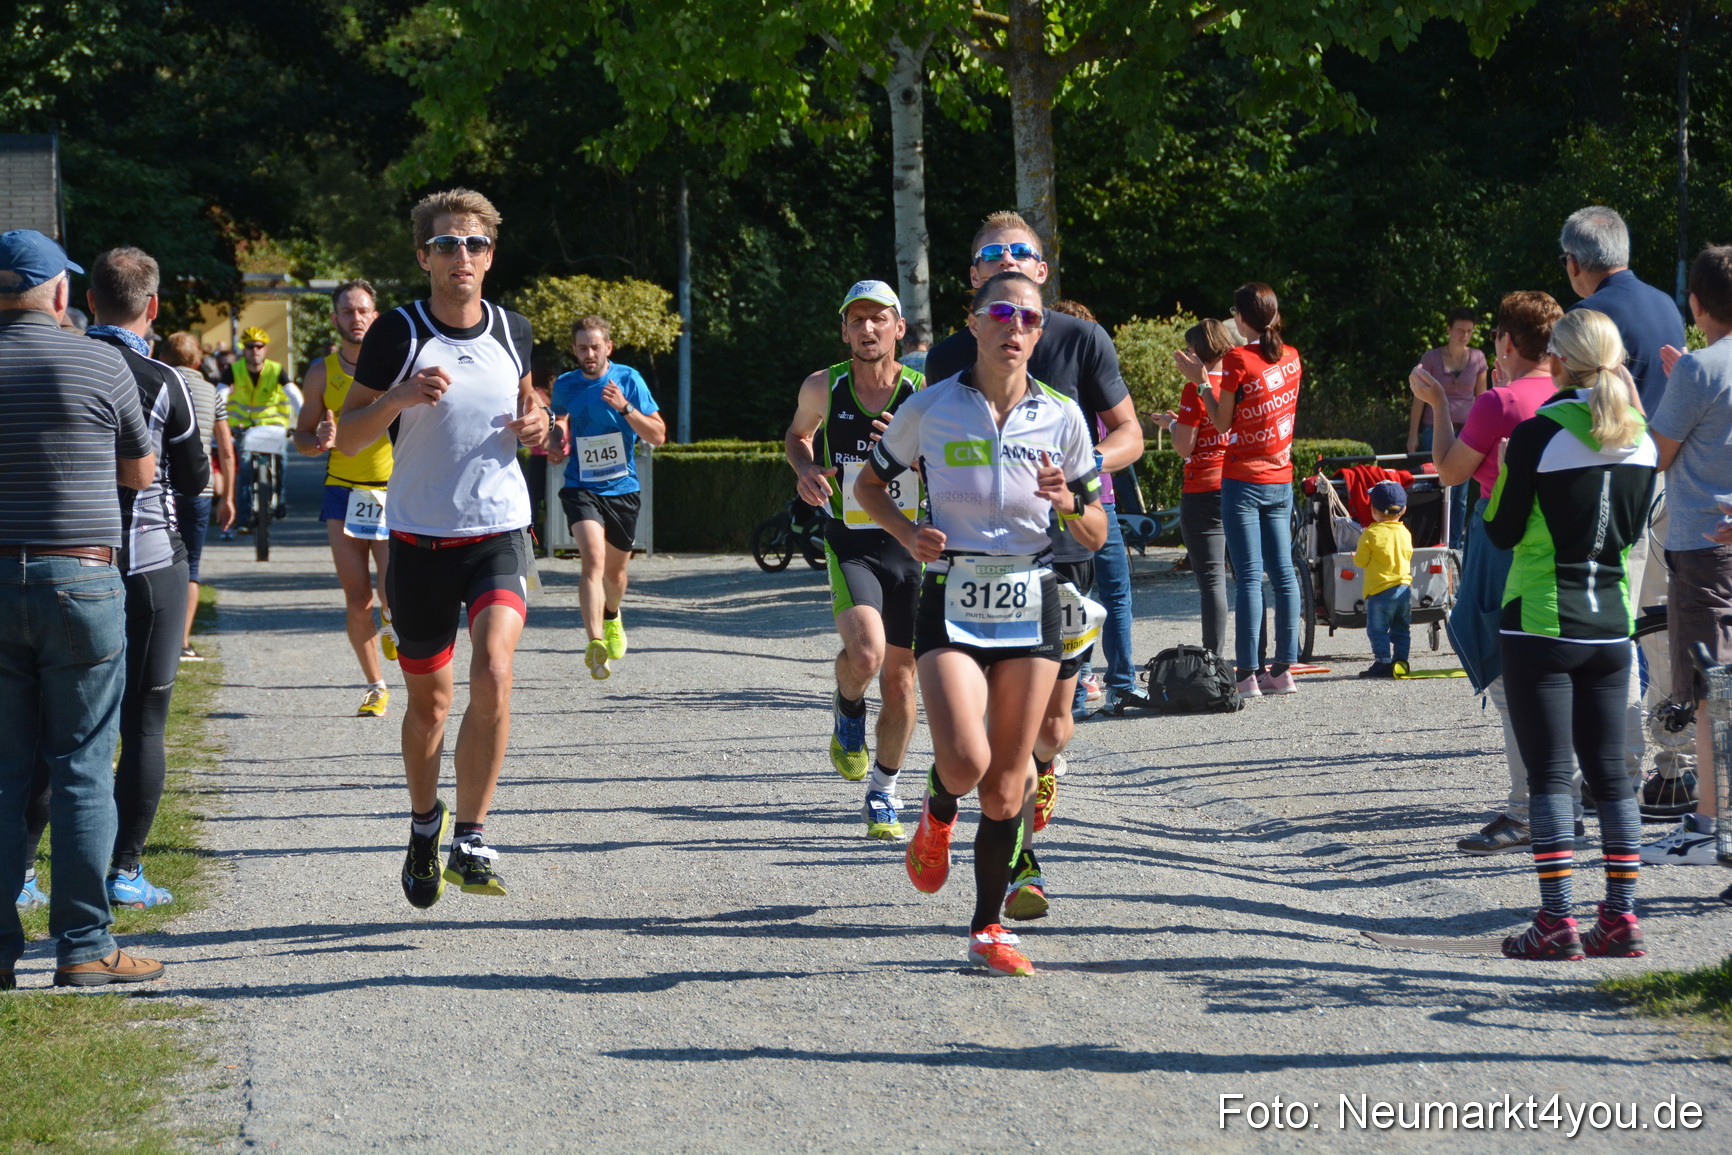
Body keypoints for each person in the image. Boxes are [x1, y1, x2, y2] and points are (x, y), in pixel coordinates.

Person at [857, 270, 1106, 976]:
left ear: (1039, 332)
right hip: (952, 594)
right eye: (1001, 314)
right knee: (964, 762)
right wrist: (907, 534)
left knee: (1005, 784)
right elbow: (868, 486)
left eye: (1028, 318)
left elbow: (1094, 530)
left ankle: (987, 928)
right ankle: (936, 811)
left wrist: (1067, 504)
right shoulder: (931, 407)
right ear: (974, 323)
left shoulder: (1062, 415)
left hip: (1031, 598)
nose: (1015, 328)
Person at [336, 188, 551, 907]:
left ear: (492, 256)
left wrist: (540, 427)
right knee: (430, 702)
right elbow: (351, 432)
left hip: (498, 533)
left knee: (494, 670)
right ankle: (425, 825)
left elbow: (533, 408)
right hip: (420, 539)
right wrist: (396, 398)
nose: (462, 255)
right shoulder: (397, 332)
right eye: (447, 244)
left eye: (475, 244)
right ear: (423, 256)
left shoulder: (513, 329)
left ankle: (473, 833)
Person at [924, 213, 1143, 842]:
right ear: (974, 277)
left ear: (1043, 272)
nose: (1010, 259)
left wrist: (1081, 473)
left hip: (1064, 550)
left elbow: (1130, 432)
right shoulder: (947, 357)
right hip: (974, 562)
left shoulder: (1081, 338)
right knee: (990, 726)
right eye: (994, 253)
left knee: (1051, 726)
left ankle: (1036, 772)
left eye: (1023, 251)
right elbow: (925, 451)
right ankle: (1009, 846)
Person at [0, 229, 165, 986]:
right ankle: (85, 945)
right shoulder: (101, 360)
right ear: (61, 292)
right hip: (83, 577)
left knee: (5, 771)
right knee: (83, 766)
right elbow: (140, 470)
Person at [1484, 309, 1657, 959]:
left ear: (1556, 360)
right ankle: (1620, 916)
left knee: (1551, 777)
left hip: (1541, 620)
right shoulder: (1639, 435)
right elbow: (1637, 531)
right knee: (1612, 776)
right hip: (1612, 625)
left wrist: (1504, 469)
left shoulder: (1538, 435)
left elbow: (1500, 529)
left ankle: (1556, 921)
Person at [1414, 292, 1574, 855]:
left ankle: (1526, 808)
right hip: (1566, 541)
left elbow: (1450, 473)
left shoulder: (1499, 402)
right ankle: (1561, 799)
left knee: (1512, 679)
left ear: (1506, 343)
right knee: (1560, 675)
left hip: (1503, 538)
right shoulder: (1571, 393)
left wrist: (1436, 404)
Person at [83, 248, 211, 909]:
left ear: (87, 303)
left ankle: (18, 874)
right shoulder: (168, 382)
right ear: (153, 307)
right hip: (151, 564)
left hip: (68, 559)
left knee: (61, 723)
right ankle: (124, 869)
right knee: (145, 722)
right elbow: (194, 482)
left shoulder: (63, 365)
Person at [1562, 206, 1691, 818]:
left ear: (1576, 264)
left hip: (1622, 494)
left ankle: (1617, 774)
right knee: (1665, 631)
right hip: (1675, 485)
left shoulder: (1586, 321)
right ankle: (1674, 768)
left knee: (1616, 635)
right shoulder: (1667, 303)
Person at [784, 281, 924, 837]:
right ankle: (847, 708)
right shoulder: (824, 386)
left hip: (911, 544)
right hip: (852, 541)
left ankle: (885, 791)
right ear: (844, 331)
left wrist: (914, 453)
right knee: (865, 655)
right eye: (857, 320)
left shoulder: (924, 392)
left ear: (898, 328)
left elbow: (959, 462)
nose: (868, 329)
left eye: (878, 319)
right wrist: (806, 468)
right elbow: (798, 436)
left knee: (902, 679)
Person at [1640, 244, 1732, 866]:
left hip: (1702, 546)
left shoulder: (1700, 370)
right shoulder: (1699, 370)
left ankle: (1707, 827)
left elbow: (1657, 452)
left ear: (1695, 304)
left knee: (1709, 689)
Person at [294, 279, 398, 718]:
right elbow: (299, 437)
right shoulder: (321, 372)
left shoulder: (397, 366)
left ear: (375, 315)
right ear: (335, 318)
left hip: (394, 492)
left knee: (394, 591)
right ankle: (376, 686)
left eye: (363, 310)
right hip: (343, 492)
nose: (356, 318)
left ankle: (394, 623)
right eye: (348, 311)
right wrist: (315, 440)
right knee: (358, 598)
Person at [548, 314, 666, 680]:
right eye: (582, 347)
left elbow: (659, 435)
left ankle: (612, 615)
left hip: (622, 490)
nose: (589, 353)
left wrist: (625, 407)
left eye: (595, 346)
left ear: (608, 347)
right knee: (592, 559)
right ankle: (595, 641)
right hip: (581, 487)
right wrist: (556, 439)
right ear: (574, 349)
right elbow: (560, 419)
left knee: (615, 575)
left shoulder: (628, 380)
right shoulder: (566, 385)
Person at [1202, 282, 1303, 697]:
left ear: (1241, 319)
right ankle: (1282, 671)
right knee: (1283, 572)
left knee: (1247, 576)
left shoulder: (1237, 359)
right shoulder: (1293, 357)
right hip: (1281, 477)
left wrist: (1200, 382)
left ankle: (1246, 675)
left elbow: (1222, 422)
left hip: (1243, 478)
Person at [157, 331, 235, 661]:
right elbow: (227, 450)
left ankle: (156, 635)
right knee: (191, 565)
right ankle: (183, 642)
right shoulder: (213, 393)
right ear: (198, 361)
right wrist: (228, 497)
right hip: (199, 489)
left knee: (157, 561)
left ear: (163, 358)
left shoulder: (159, 382)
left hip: (161, 487)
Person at [1166, 319, 1234, 655]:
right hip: (1237, 484)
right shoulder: (1239, 381)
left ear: (1200, 352)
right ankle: (1257, 660)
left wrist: (1173, 426)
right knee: (1250, 578)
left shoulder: (1194, 389)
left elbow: (1184, 446)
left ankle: (1214, 658)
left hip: (1203, 487)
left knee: (1212, 582)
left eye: (1190, 350)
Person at [1406, 307, 1486, 550]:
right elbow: (1419, 398)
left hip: (1469, 430)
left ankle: (1454, 544)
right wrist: (1413, 435)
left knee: (1461, 493)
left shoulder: (1479, 358)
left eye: (1469, 331)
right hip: (1436, 427)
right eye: (1460, 329)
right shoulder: (1431, 358)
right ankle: (1432, 539)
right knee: (1435, 486)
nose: (1464, 335)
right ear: (1449, 329)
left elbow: (1482, 398)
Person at [226, 326, 295, 530]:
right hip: (243, 428)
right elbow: (219, 395)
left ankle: (280, 499)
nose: (254, 350)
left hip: (273, 427)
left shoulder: (276, 370)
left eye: (259, 346)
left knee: (281, 457)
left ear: (265, 349)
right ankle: (244, 519)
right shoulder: (233, 370)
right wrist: (217, 420)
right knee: (245, 469)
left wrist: (306, 421)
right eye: (249, 346)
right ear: (243, 350)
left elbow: (294, 395)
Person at [1354, 480, 1413, 678]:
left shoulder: (1370, 534)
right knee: (1401, 629)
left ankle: (1383, 662)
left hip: (1379, 591)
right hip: (1404, 589)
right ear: (1403, 510)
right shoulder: (1405, 533)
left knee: (1377, 629)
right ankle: (1401, 661)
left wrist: (1358, 555)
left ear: (1373, 509)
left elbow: (1361, 562)